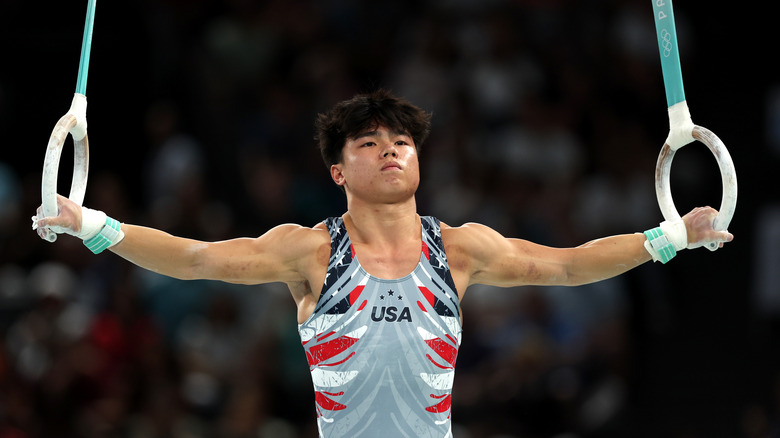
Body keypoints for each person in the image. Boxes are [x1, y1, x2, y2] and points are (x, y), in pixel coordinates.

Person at [33, 89, 733, 437]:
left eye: (401, 140)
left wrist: (671, 236)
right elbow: (193, 258)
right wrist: (92, 225)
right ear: (337, 172)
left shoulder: (459, 249)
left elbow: (571, 265)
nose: (391, 149)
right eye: (368, 143)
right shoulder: (309, 251)